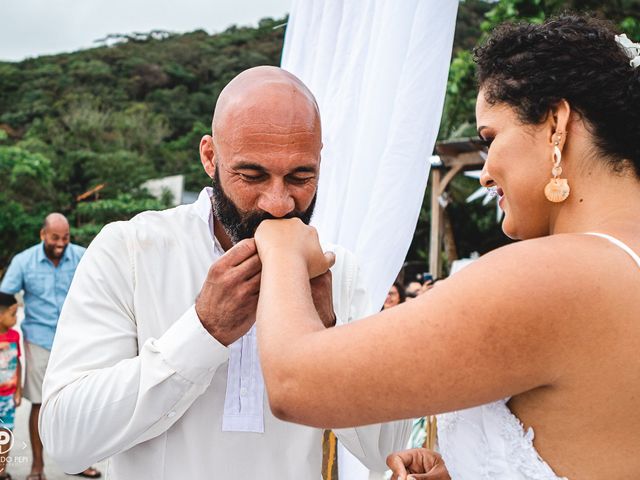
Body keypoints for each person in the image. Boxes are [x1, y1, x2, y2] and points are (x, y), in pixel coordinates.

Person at [252, 14, 640, 480]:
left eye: (489, 139)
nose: (485, 173)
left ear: (556, 122)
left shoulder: (559, 275)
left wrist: (281, 247)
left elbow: (294, 382)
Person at [39, 67, 410, 479]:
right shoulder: (129, 250)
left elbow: (388, 453)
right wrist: (203, 331)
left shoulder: (338, 271)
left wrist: (330, 336)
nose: (278, 203)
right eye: (252, 175)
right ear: (210, 157)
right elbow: (64, 440)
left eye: (300, 176)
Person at [0, 214, 101, 480]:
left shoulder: (81, 256)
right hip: (39, 340)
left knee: (81, 401)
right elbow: (4, 297)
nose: (61, 243)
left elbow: (101, 289)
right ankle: (37, 466)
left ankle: (79, 462)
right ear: (43, 234)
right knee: (41, 404)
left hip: (78, 339)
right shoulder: (24, 261)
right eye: (55, 238)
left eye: (65, 238)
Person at [0, 293, 21, 480]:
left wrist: (18, 390)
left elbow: (18, 362)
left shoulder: (14, 336)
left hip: (8, 397)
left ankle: (2, 471)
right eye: (13, 314)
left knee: (6, 433)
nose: (15, 319)